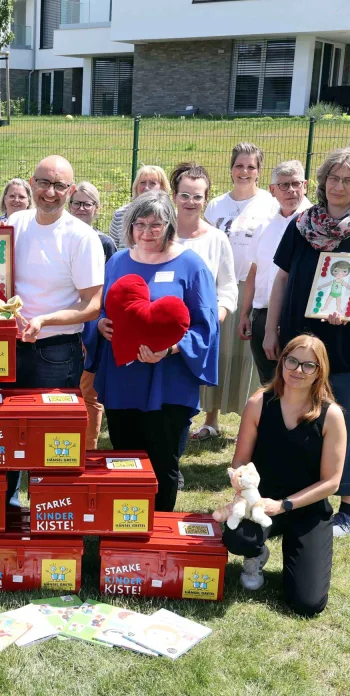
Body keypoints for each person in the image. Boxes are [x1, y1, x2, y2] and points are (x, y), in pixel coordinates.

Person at [264, 146, 350, 538]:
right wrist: (272, 331)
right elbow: (282, 280)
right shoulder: (303, 224)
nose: (339, 186)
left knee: (349, 422)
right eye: (333, 178)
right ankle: (300, 496)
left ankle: (348, 509)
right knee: (301, 419)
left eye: (349, 179)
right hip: (301, 344)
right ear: (322, 182)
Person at [0, 155, 105, 504]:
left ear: (71, 190)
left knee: (51, 439)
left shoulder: (82, 237)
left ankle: (51, 512)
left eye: (60, 185)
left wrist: (45, 320)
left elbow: (92, 305)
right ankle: (5, 508)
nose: (51, 192)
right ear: (31, 184)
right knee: (5, 432)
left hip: (56, 352)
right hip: (6, 348)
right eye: (44, 183)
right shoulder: (15, 223)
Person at [93, 191, 219, 512]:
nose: (147, 232)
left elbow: (206, 325)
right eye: (140, 224)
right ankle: (125, 530)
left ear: (170, 226)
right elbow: (101, 308)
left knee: (162, 464)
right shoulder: (118, 262)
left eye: (156, 225)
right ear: (130, 226)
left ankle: (159, 534)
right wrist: (101, 324)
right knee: (125, 461)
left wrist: (173, 348)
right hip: (124, 381)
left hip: (170, 382)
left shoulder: (191, 265)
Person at [221, 335, 347, 617]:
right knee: (236, 538)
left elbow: (331, 482)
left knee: (307, 604)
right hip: (260, 503)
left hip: (306, 509)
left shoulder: (331, 415)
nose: (297, 370)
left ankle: (299, 552)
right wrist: (239, 481)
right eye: (292, 360)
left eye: (308, 365)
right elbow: (241, 460)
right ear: (282, 361)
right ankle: (256, 554)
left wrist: (285, 505)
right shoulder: (258, 403)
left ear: (320, 371)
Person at [195, 142, 279, 438]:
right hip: (218, 288)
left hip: (253, 286)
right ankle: (211, 420)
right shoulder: (216, 205)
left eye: (251, 167)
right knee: (218, 352)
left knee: (249, 355)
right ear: (231, 168)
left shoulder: (270, 204)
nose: (244, 171)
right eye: (239, 165)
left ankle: (251, 423)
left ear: (259, 171)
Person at [170, 162, 238, 441]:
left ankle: (174, 461)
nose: (190, 202)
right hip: (161, 333)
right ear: (174, 196)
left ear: (206, 199)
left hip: (198, 334)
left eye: (197, 196)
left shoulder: (217, 239)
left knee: (187, 401)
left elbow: (228, 287)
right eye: (185, 195)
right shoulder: (159, 234)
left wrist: (217, 316)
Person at [240, 161, 312, 384]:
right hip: (261, 315)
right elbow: (254, 270)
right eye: (284, 185)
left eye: (296, 183)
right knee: (268, 384)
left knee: (295, 386)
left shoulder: (314, 225)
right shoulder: (264, 225)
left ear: (305, 186)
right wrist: (245, 313)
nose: (291, 190)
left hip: (294, 316)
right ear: (272, 190)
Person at [68, 180, 118, 450]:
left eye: (87, 203)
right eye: (76, 203)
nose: (81, 208)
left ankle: (86, 449)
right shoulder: (60, 236)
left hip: (92, 327)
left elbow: (108, 287)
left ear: (97, 208)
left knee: (89, 391)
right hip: (63, 323)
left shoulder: (105, 243)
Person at [108, 165, 169, 243]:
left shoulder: (170, 214)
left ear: (162, 187)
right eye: (142, 183)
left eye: (152, 183)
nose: (146, 188)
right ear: (136, 186)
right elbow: (113, 247)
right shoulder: (120, 214)